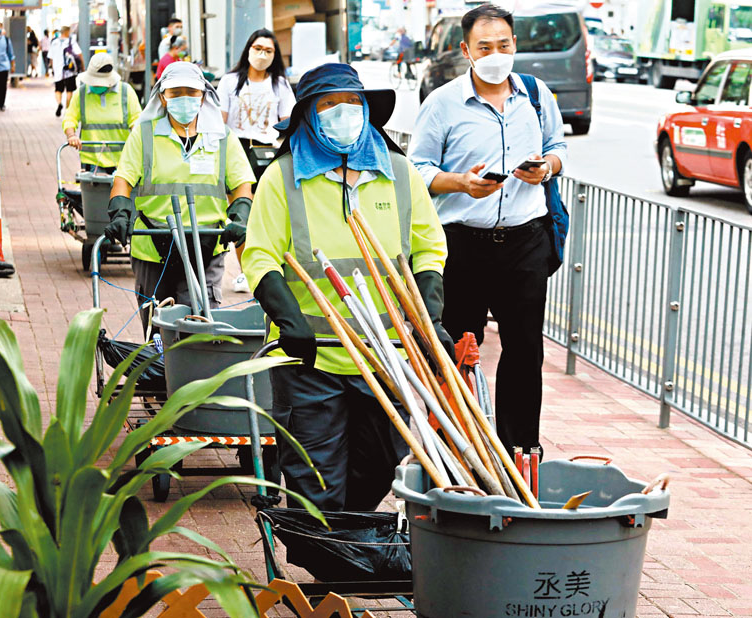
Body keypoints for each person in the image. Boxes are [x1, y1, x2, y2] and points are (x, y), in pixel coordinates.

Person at [241, 63, 450, 511]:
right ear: (308, 115)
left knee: (379, 468)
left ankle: (344, 549)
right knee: (314, 481)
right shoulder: (282, 177)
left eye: (352, 103)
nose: (344, 113)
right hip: (312, 356)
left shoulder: (398, 171)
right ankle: (321, 556)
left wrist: (430, 318)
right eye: (329, 104)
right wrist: (289, 320)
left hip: (388, 355)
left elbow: (429, 248)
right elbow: (259, 256)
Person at [408, 3, 567, 457]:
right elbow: (417, 168)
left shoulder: (537, 96)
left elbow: (557, 146)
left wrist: (547, 168)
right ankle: (457, 451)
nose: (496, 53)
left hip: (525, 240)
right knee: (459, 349)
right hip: (463, 245)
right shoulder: (442, 103)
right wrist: (461, 183)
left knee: (524, 352)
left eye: (503, 45)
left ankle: (519, 454)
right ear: (466, 50)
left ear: (514, 44)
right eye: (485, 47)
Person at [105, 62, 255, 334]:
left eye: (191, 92)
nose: (184, 98)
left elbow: (242, 183)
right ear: (162, 97)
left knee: (200, 324)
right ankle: (158, 373)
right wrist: (120, 212)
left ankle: (195, 373)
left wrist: (240, 214)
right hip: (152, 243)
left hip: (207, 243)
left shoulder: (222, 138)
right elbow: (123, 180)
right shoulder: (145, 134)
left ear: (203, 96)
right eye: (176, 93)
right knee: (156, 324)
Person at [217, 29, 295, 293]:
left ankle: (268, 270)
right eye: (258, 48)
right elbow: (221, 121)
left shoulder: (280, 85)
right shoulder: (230, 82)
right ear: (248, 49)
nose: (262, 54)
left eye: (268, 50)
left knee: (270, 214)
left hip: (268, 151)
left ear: (275, 55)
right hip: (238, 149)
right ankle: (244, 271)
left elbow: (289, 122)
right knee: (242, 214)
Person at [62, 52, 142, 173]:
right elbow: (70, 117)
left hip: (123, 160)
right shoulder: (81, 94)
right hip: (92, 160)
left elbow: (137, 121)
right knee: (95, 191)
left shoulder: (126, 92)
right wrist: (71, 135)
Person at [49, 26, 84, 117]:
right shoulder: (70, 41)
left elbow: (51, 58)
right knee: (70, 90)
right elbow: (79, 54)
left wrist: (52, 68)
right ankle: (67, 110)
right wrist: (82, 66)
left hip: (57, 70)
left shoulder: (54, 42)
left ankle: (59, 103)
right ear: (67, 32)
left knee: (58, 90)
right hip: (69, 70)